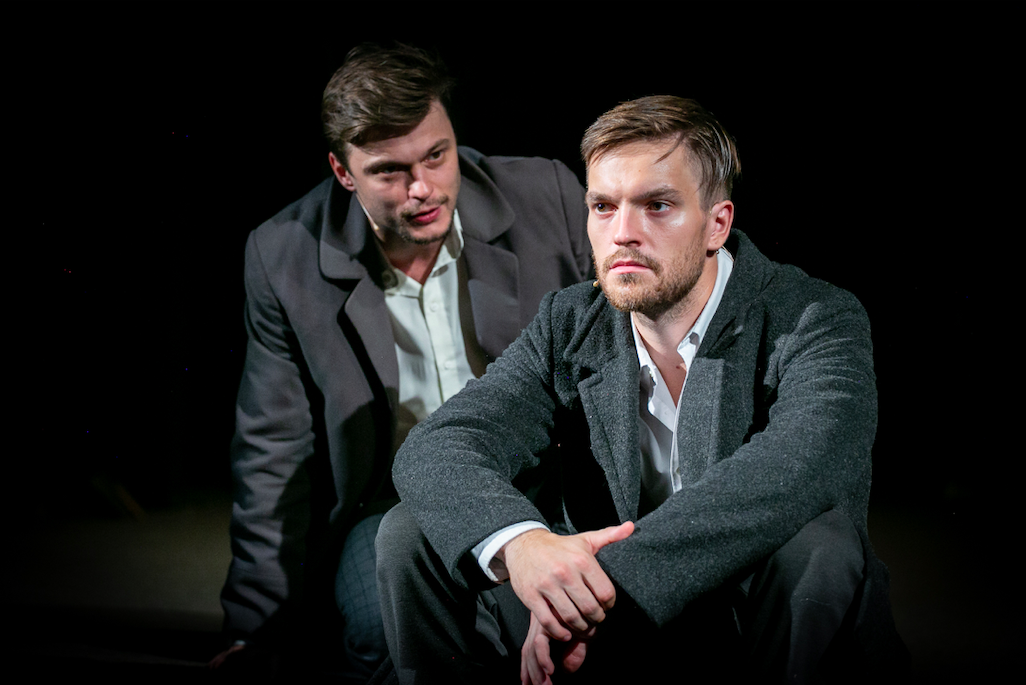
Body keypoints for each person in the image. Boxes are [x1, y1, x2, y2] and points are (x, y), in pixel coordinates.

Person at [377, 96, 908, 684]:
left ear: (717, 224)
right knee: (414, 532)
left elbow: (799, 468)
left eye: (657, 206)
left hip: (746, 625)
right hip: (615, 636)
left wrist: (590, 589)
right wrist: (525, 549)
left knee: (817, 544)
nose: (623, 234)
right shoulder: (568, 323)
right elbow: (438, 447)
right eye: (603, 207)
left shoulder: (814, 317)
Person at [214, 43, 592, 679]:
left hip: (541, 486)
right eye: (389, 171)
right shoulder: (283, 256)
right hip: (389, 506)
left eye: (436, 156)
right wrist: (257, 631)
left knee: (557, 634)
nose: (422, 189)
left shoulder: (546, 196)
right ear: (343, 171)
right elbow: (273, 452)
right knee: (385, 635)